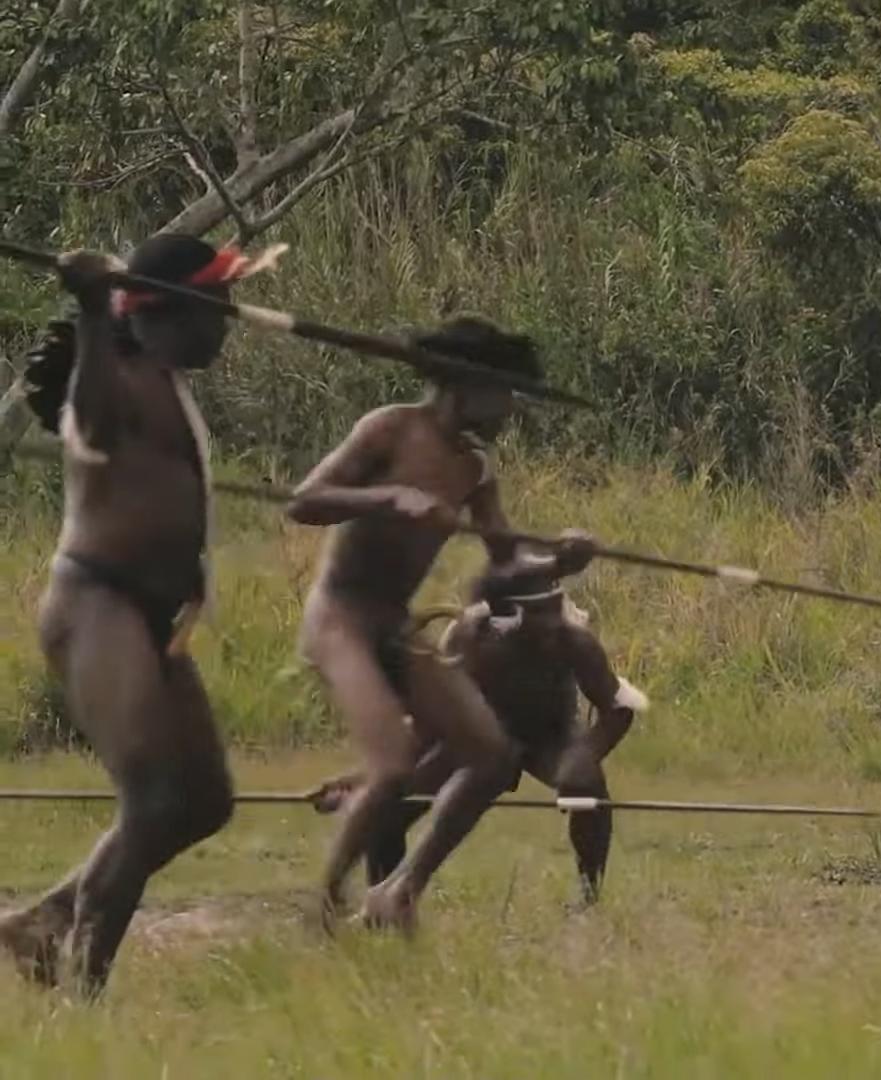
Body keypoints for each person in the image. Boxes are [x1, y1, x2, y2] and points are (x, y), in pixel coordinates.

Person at [1, 235, 276, 994]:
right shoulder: (116, 376)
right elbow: (86, 420)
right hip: (98, 604)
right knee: (153, 799)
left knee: (204, 802)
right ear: (169, 309)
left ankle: (44, 921)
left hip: (155, 618)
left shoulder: (164, 377)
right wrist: (91, 308)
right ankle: (82, 994)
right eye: (216, 307)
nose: (228, 323)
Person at [285, 315, 543, 931]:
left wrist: (564, 555)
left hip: (395, 624)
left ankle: (399, 892)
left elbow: (508, 559)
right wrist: (385, 497)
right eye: (503, 393)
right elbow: (302, 502)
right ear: (466, 386)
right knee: (394, 765)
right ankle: (322, 904)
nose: (509, 410)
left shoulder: (474, 469)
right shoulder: (389, 430)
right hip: (341, 618)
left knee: (490, 754)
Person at [311, 544, 645, 906]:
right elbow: (431, 721)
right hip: (475, 737)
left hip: (548, 737)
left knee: (586, 785)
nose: (553, 625)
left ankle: (589, 897)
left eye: (555, 613)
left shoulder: (574, 642)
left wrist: (587, 752)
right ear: (506, 618)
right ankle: (386, 895)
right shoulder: (469, 637)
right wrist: (364, 779)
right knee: (395, 799)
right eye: (540, 617)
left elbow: (619, 707)